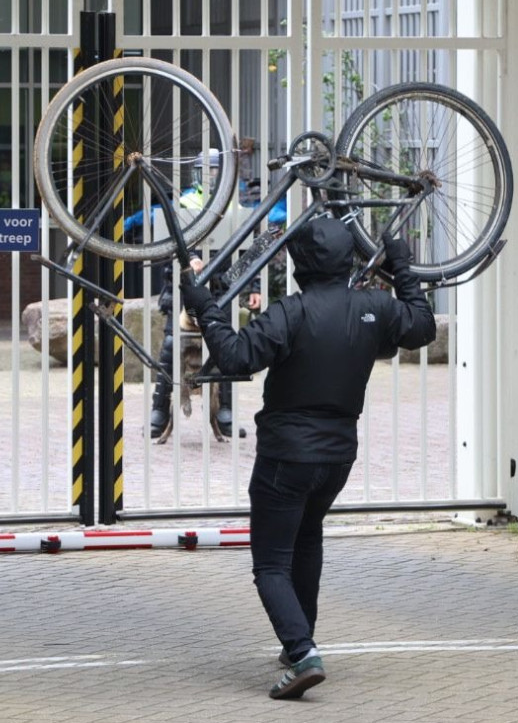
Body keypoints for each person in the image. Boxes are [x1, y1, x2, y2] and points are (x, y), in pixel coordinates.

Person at [178, 215, 436, 699]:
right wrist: (401, 263)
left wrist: (204, 307)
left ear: (299, 264)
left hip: (286, 457)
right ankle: (301, 639)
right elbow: (421, 327)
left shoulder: (290, 313)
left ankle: (301, 653)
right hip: (338, 458)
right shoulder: (374, 307)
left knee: (271, 563)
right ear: (347, 260)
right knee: (307, 537)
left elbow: (234, 358)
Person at [148, 148, 260, 441]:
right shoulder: (184, 204)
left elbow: (247, 255)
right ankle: (159, 411)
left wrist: (255, 287)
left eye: (214, 170)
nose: (210, 175)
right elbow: (168, 246)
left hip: (222, 290)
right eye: (205, 170)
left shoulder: (235, 208)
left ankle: (225, 412)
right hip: (184, 288)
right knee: (172, 344)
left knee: (226, 347)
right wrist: (190, 262)